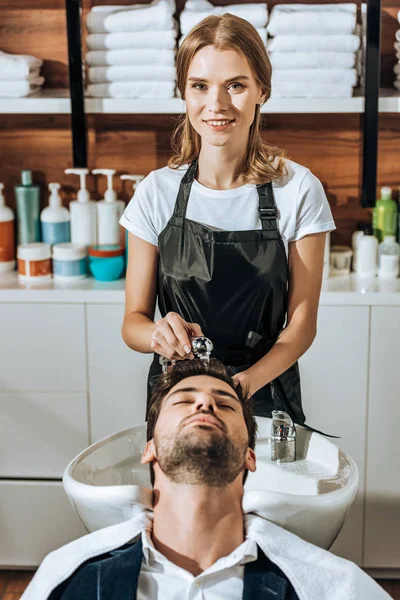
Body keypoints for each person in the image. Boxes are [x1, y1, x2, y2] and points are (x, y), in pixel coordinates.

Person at [120, 13, 336, 423]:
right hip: (177, 396)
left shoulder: (298, 190)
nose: (216, 105)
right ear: (183, 93)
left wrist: (239, 387)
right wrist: (156, 334)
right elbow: (132, 324)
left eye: (235, 85)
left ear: (262, 91)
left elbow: (302, 326)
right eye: (200, 86)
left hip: (265, 393)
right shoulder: (156, 192)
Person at [23, 359, 390, 600]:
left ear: (250, 455)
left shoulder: (335, 589)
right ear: (149, 448)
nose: (204, 404)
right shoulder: (66, 580)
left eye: (225, 404)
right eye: (183, 401)